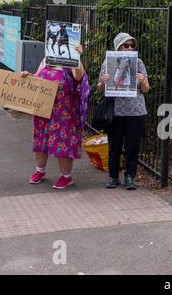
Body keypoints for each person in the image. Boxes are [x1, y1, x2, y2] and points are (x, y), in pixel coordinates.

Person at [21, 45, 90, 189]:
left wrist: (77, 56)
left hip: (63, 112)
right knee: (41, 139)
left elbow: (79, 77)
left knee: (62, 141)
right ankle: (40, 171)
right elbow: (37, 76)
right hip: (43, 110)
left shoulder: (70, 59)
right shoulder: (47, 59)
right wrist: (28, 76)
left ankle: (66, 177)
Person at [97, 33, 150, 190]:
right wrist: (103, 82)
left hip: (136, 111)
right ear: (117, 47)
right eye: (126, 45)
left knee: (132, 146)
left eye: (132, 45)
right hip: (116, 111)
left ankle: (129, 176)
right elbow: (100, 89)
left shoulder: (138, 63)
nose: (130, 48)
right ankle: (113, 177)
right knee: (115, 145)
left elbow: (146, 90)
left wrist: (143, 81)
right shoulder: (108, 63)